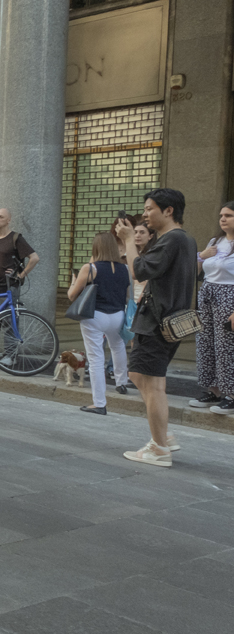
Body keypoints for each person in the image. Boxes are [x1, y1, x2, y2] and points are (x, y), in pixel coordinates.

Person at [115, 188, 198, 467]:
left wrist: (128, 240)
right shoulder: (185, 239)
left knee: (149, 383)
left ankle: (159, 447)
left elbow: (138, 270)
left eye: (150, 208)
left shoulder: (171, 239)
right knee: (146, 378)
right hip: (168, 321)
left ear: (168, 210)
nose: (145, 214)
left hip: (157, 322)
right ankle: (164, 436)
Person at [67, 233, 131, 416]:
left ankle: (99, 403)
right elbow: (127, 294)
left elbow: (72, 296)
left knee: (96, 358)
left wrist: (73, 282)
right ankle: (121, 383)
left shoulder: (90, 268)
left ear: (96, 248)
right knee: (118, 347)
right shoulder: (124, 269)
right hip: (118, 315)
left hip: (95, 316)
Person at [190, 201, 234, 415]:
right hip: (207, 293)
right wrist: (202, 255)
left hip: (229, 295)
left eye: (229, 215)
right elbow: (198, 268)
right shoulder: (215, 241)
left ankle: (231, 394)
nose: (223, 219)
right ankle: (213, 390)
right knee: (205, 342)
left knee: (226, 346)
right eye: (221, 215)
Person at [0, 208, 39, 296]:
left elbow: (35, 258)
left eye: (1, 217)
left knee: (7, 310)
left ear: (8, 220)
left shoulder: (16, 238)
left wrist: (21, 275)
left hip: (8, 287)